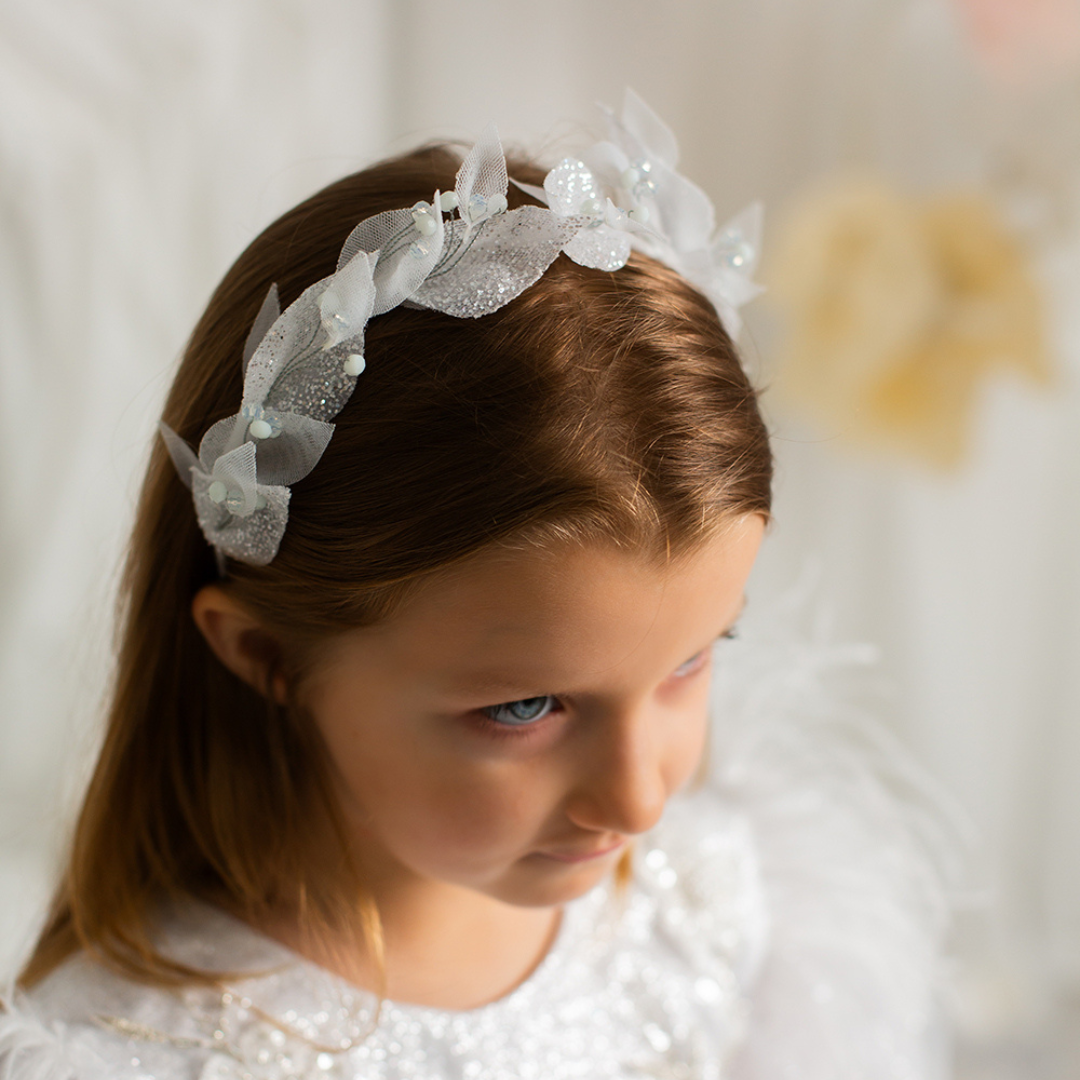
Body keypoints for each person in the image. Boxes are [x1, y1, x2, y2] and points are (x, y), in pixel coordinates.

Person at [0, 93, 951, 1079]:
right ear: (266, 654)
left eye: (694, 659)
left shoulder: (715, 910)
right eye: (526, 707)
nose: (635, 800)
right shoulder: (133, 1054)